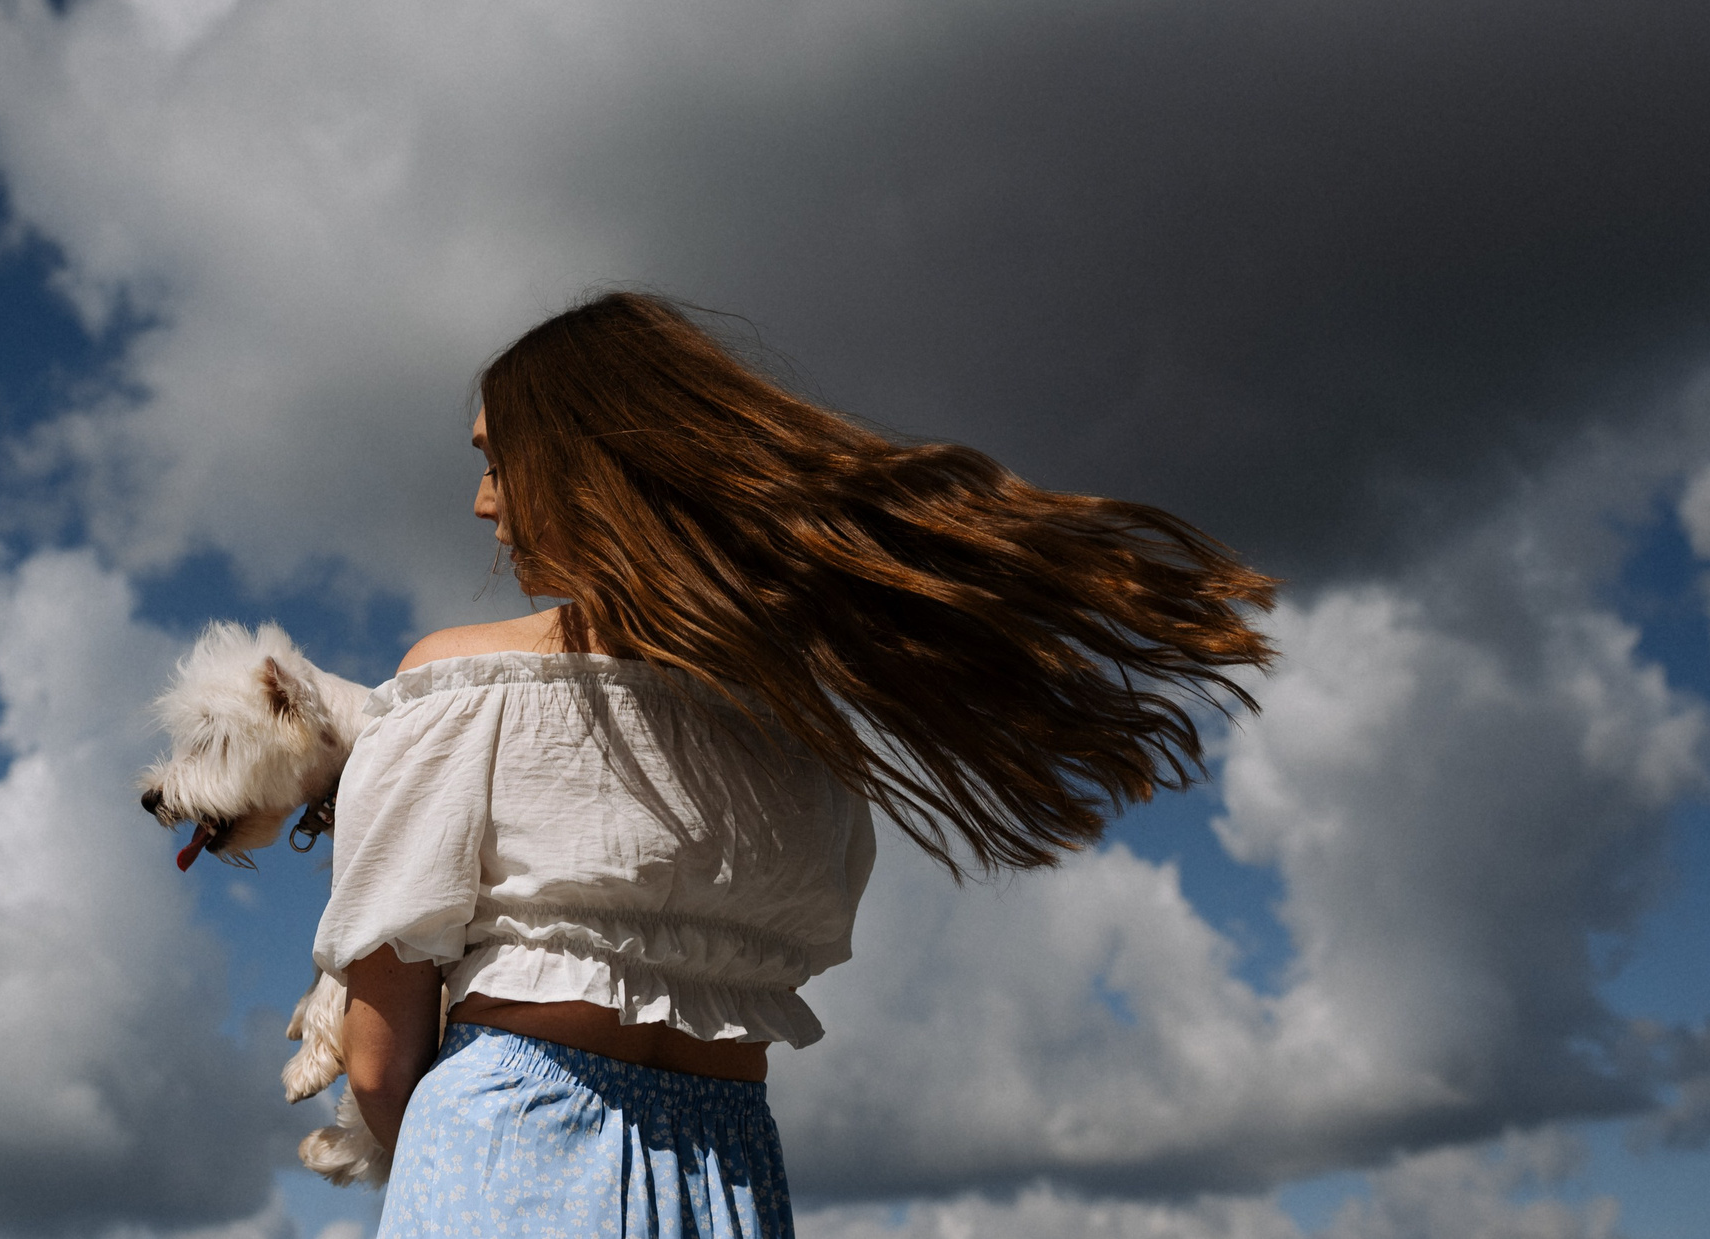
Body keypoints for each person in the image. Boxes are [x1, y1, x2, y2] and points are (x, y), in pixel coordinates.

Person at [313, 292, 1274, 1236]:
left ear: (580, 459)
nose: (483, 500)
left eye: (498, 461)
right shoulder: (795, 727)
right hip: (726, 1170)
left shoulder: (468, 689)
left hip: (507, 1145)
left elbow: (378, 1066)